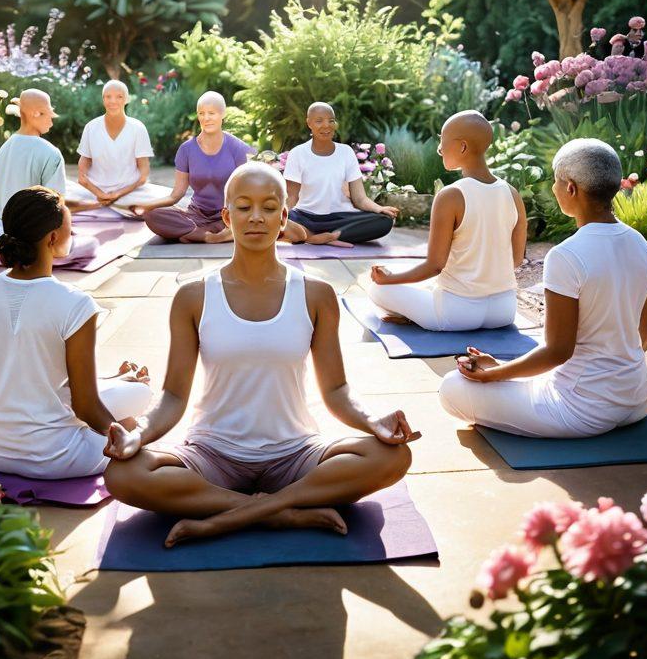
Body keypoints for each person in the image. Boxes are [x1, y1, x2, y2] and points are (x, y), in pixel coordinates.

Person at [103, 162, 419, 548]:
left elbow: (335, 389)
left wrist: (374, 421)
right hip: (212, 453)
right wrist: (137, 436)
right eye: (243, 206)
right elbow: (172, 397)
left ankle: (225, 518)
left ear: (284, 217)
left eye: (269, 207)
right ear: (226, 216)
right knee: (123, 474)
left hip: (295, 452)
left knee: (392, 457)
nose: (256, 217)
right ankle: (284, 514)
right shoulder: (193, 296)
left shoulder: (316, 294)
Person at [438, 138, 647, 438]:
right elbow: (645, 337)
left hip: (582, 411)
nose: (553, 189)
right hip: (636, 400)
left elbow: (558, 352)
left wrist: (492, 376)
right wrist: (503, 367)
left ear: (570, 188)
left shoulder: (566, 255)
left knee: (451, 387)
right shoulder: (641, 245)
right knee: (530, 379)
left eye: (556, 182)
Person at [0, 186, 152, 478]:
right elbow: (85, 406)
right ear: (52, 237)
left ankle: (116, 386)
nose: (72, 233)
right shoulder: (75, 303)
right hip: (55, 457)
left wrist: (13, 396)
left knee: (110, 394)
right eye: (69, 227)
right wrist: (123, 434)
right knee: (141, 394)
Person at [369, 111, 526, 330]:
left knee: (377, 289)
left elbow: (434, 266)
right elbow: (516, 259)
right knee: (424, 283)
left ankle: (414, 314)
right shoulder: (512, 193)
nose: (439, 149)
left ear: (462, 147)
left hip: (456, 314)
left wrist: (389, 279)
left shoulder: (451, 195)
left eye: (442, 141)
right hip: (504, 311)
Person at [0, 87, 93, 255]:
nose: (52, 121)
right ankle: (30, 248)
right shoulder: (50, 153)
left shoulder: (4, 148)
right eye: (49, 114)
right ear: (35, 114)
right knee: (91, 243)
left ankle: (8, 244)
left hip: (4, 226)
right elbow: (56, 206)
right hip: (35, 232)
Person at [138, 92, 252, 244]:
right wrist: (145, 207)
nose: (206, 118)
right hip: (196, 215)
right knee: (152, 215)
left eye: (211, 113)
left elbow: (244, 191)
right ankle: (210, 236)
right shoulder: (186, 149)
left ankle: (193, 234)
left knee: (251, 219)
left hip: (227, 215)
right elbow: (176, 195)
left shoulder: (236, 147)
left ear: (222, 114)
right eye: (201, 113)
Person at [282, 103, 397, 245]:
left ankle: (330, 237)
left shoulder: (346, 152)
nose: (326, 125)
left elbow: (359, 199)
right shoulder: (298, 153)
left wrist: (379, 209)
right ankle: (313, 235)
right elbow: (292, 196)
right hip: (305, 217)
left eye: (331, 121)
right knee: (278, 222)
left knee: (385, 221)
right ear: (309, 123)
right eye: (319, 121)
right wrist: (279, 216)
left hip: (340, 218)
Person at [77, 81, 170, 213]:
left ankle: (112, 206)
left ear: (126, 99)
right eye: (108, 97)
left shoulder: (138, 128)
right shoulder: (91, 127)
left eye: (119, 97)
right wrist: (99, 193)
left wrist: (117, 194)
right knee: (61, 203)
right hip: (94, 191)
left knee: (163, 207)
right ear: (103, 99)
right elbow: (82, 174)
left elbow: (143, 175)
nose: (113, 101)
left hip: (130, 191)